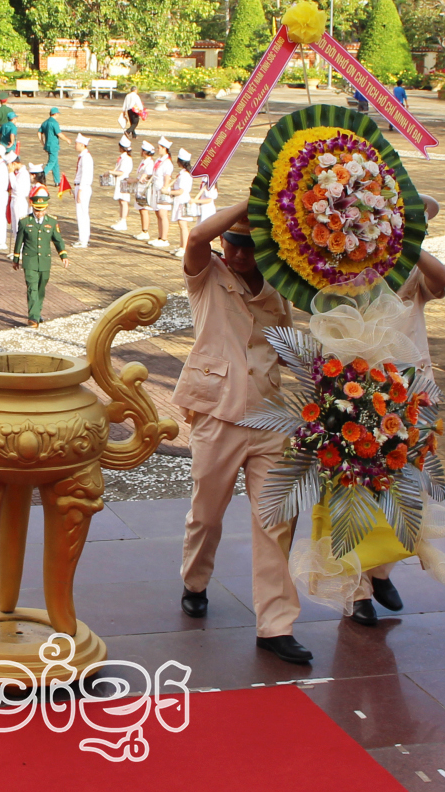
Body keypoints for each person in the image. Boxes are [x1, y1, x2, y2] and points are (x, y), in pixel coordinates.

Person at [173, 204, 308, 666]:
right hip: (218, 413)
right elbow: (194, 239)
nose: (238, 253)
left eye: (249, 245)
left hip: (269, 418)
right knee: (207, 514)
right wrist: (247, 205)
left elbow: (287, 349)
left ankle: (276, 625)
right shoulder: (207, 274)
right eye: (231, 242)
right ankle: (195, 580)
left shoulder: (275, 290)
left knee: (276, 520)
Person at [347, 196, 445, 628]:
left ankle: (383, 571)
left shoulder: (416, 270)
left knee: (408, 487)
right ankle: (356, 592)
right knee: (357, 490)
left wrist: (411, 244)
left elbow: (442, 281)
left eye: (416, 223)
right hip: (361, 388)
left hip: (413, 390)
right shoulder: (357, 266)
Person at [12, 188, 69, 326]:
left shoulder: (52, 222)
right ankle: (33, 317)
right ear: (32, 208)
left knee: (41, 287)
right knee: (32, 287)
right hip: (30, 260)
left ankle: (37, 312)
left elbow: (57, 240)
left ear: (46, 208)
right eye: (37, 210)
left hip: (44, 260)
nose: (39, 213)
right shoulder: (25, 222)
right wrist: (16, 258)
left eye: (42, 210)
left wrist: (64, 255)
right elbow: (19, 240)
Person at [72, 133, 95, 249]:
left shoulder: (86, 157)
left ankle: (83, 239)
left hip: (83, 187)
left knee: (82, 213)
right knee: (81, 213)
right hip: (80, 186)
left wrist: (80, 189)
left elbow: (85, 176)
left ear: (82, 144)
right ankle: (82, 238)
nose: (75, 145)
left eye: (76, 143)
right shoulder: (83, 156)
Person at [111, 137, 133, 233]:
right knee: (121, 200)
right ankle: (121, 219)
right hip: (121, 181)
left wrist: (110, 172)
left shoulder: (127, 159)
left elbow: (121, 172)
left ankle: (123, 221)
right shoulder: (123, 158)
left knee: (124, 201)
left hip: (124, 181)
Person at [39, 107, 63, 187]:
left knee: (55, 164)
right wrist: (67, 139)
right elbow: (59, 134)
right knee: (51, 163)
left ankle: (57, 181)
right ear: (55, 114)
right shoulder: (54, 123)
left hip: (48, 145)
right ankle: (41, 176)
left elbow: (39, 132)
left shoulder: (45, 122)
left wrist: (42, 142)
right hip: (53, 146)